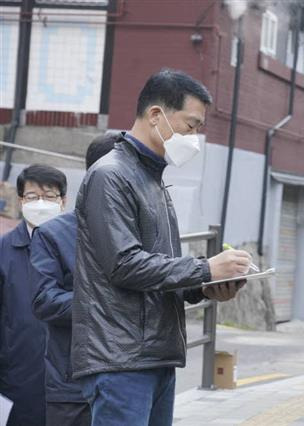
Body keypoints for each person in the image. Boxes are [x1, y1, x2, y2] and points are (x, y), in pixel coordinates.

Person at [71, 69, 252, 426]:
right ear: (156, 115)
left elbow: (160, 268)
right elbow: (124, 264)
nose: (194, 137)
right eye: (191, 124)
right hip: (121, 358)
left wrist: (204, 287)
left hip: (153, 355)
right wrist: (205, 269)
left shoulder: (152, 179)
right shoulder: (111, 175)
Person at [29, 133, 118, 426]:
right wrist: (104, 304)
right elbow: (44, 301)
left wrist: (200, 282)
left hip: (131, 379)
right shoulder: (53, 235)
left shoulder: (140, 227)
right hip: (73, 384)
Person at [0, 164, 68, 426]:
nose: (40, 203)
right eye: (32, 196)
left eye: (49, 196)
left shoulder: (80, 248)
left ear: (63, 201)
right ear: (20, 201)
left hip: (69, 381)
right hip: (18, 376)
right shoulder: (5, 251)